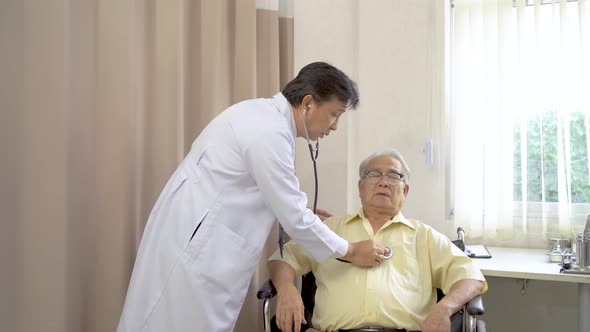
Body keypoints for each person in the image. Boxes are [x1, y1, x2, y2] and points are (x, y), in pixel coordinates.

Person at [117, 62, 389, 332]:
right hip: (196, 248)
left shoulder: (261, 116)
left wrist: (297, 212)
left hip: (197, 238)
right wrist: (351, 250)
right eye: (334, 114)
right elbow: (295, 216)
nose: (335, 127)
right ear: (308, 103)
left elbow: (265, 193)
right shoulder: (269, 133)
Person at [268, 148, 488, 332]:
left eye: (393, 176)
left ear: (405, 190)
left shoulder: (424, 236)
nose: (384, 182)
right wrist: (287, 288)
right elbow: (283, 257)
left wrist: (444, 308)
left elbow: (471, 277)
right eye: (374, 174)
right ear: (360, 187)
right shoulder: (330, 229)